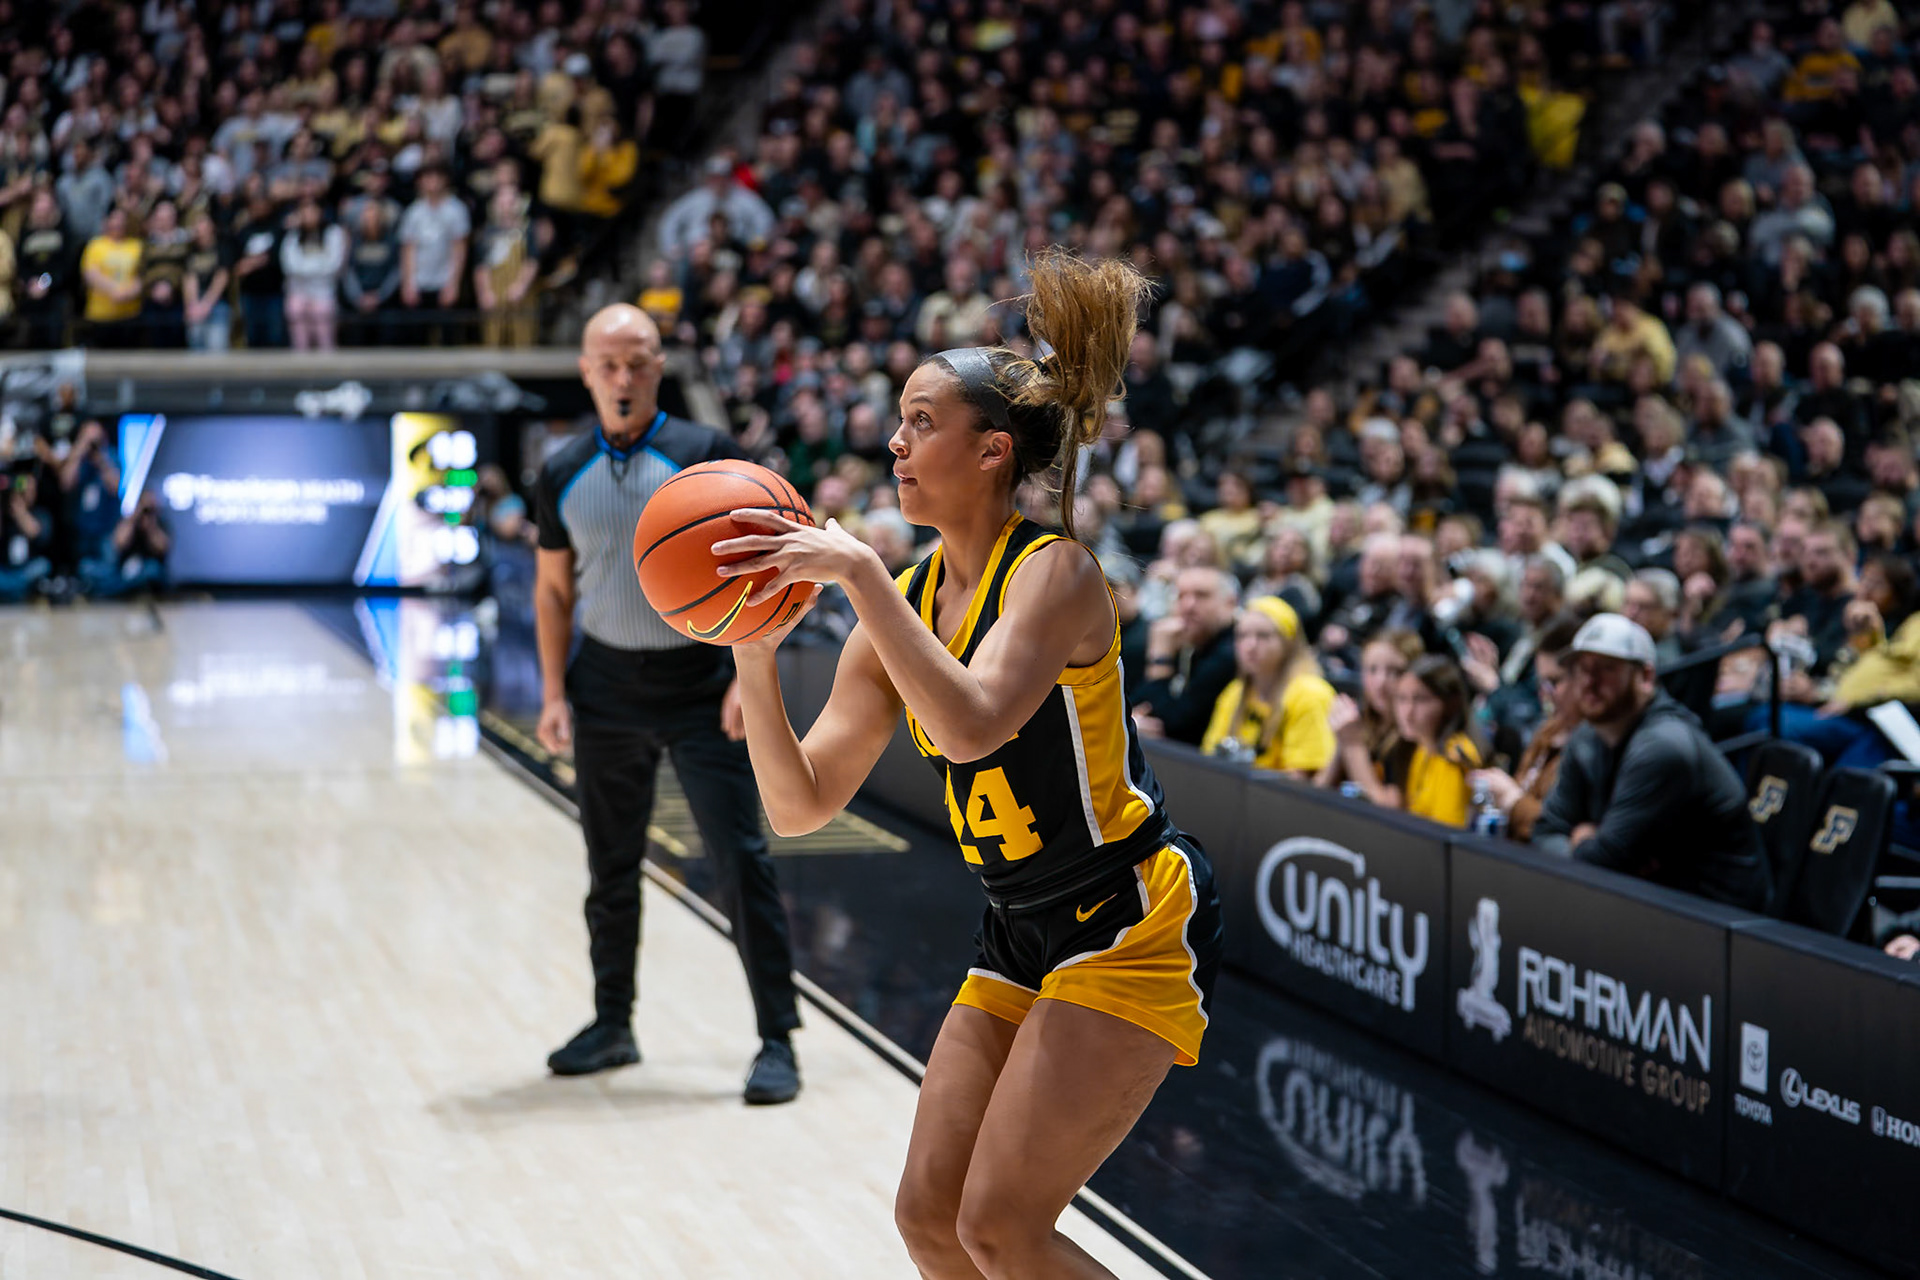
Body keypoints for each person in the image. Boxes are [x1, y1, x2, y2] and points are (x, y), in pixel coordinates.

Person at [714, 251, 1222, 1279]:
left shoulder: (1057, 573)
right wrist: (753, 655)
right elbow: (801, 803)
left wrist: (858, 574)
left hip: (1122, 920)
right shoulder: (896, 599)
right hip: (1017, 922)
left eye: (919, 421)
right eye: (898, 422)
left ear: (992, 450)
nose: (894, 443)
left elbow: (977, 722)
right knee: (931, 1221)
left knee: (1001, 1226)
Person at [531, 303, 801, 1100]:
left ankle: (776, 1039)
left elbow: (760, 581)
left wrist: (746, 682)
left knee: (739, 859)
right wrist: (552, 691)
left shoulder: (707, 457)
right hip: (604, 689)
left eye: (639, 362)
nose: (623, 377)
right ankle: (613, 1024)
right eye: (608, 363)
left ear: (660, 369)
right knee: (609, 868)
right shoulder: (559, 469)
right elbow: (552, 590)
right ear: (585, 370)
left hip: (702, 690)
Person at [1535, 614, 1769, 910]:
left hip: (1720, 919)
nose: (1589, 682)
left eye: (1607, 669)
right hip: (1655, 902)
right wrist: (1589, 846)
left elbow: (1601, 863)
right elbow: (1544, 832)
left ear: (1645, 677)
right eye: (1582, 669)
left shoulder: (1664, 744)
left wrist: (1581, 840)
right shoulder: (1587, 735)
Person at [1470, 614, 1585, 840]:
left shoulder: (1593, 747)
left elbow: (1561, 835)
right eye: (1541, 682)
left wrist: (1512, 799)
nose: (1545, 694)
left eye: (1555, 681)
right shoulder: (1548, 730)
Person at [1200, 596, 1337, 777]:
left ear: (1288, 643)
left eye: (1263, 636)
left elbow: (1302, 777)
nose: (1250, 646)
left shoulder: (1309, 693)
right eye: (1242, 636)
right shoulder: (1235, 691)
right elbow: (1209, 758)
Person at [1130, 565, 1240, 746]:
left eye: (1202, 595)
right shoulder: (1192, 641)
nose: (1188, 606)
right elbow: (1140, 703)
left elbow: (1174, 727)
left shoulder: (1231, 651)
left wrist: (1160, 656)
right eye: (1181, 596)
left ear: (1231, 602)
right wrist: (1132, 719)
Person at [1318, 629, 1424, 800]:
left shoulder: (1412, 734)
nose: (1381, 682)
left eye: (1395, 672)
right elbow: (1319, 789)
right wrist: (1342, 740)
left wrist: (1352, 745)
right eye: (1372, 670)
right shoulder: (1360, 720)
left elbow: (1389, 808)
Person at [1384, 656, 1482, 827]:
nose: (1407, 712)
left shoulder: (1454, 756)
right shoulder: (1420, 748)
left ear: (1450, 704)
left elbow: (1445, 836)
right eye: (1402, 699)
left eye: (1420, 699)